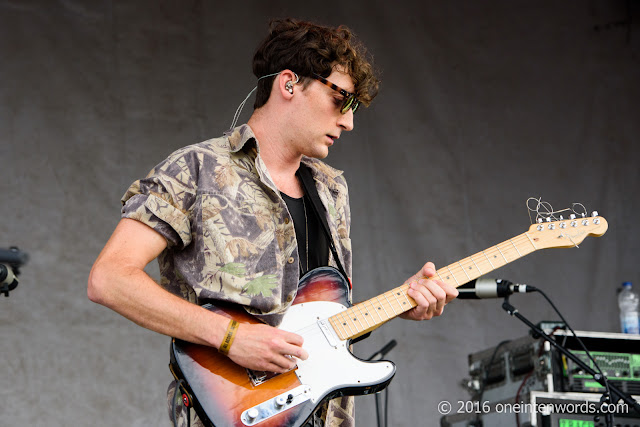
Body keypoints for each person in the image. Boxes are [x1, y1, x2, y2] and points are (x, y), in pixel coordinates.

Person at [88, 18, 458, 427]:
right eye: (341, 99)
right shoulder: (197, 169)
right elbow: (110, 278)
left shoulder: (331, 190)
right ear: (289, 84)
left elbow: (318, 318)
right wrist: (230, 337)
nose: (349, 122)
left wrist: (401, 303)